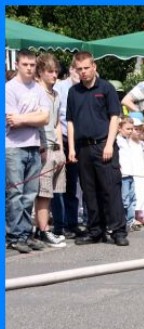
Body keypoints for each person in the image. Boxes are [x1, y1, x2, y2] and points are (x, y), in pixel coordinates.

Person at [66, 51, 129, 246]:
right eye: (80, 69)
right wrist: (71, 148)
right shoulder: (73, 92)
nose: (83, 72)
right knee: (89, 191)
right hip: (83, 147)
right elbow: (69, 121)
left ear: (94, 67)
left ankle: (118, 230)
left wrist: (110, 143)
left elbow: (114, 117)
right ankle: (95, 230)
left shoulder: (107, 88)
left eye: (86, 68)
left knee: (110, 189)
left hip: (103, 144)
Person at [6, 49, 51, 253]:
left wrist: (25, 118)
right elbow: (12, 121)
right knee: (15, 192)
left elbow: (46, 118)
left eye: (32, 65)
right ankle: (15, 235)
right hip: (13, 147)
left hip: (33, 145)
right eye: (25, 64)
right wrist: (34, 117)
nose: (29, 68)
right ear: (18, 65)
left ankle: (25, 233)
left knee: (30, 193)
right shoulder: (9, 88)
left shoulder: (38, 89)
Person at [34, 52, 68, 248]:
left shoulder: (56, 94)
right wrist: (41, 145)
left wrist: (61, 149)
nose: (54, 75)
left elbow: (56, 123)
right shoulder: (37, 91)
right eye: (50, 72)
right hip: (42, 145)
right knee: (43, 192)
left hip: (55, 146)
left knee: (54, 191)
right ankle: (43, 230)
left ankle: (45, 228)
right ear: (41, 72)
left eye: (56, 72)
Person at [52, 62, 83, 239]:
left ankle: (72, 223)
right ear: (71, 70)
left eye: (83, 69)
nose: (80, 73)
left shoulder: (86, 88)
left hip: (77, 141)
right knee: (58, 186)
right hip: (61, 138)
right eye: (76, 69)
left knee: (72, 184)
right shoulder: (60, 88)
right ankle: (59, 224)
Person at [116, 116, 144, 231]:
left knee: (133, 199)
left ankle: (130, 221)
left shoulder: (128, 140)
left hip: (130, 174)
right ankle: (122, 222)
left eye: (132, 129)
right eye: (128, 129)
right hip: (123, 175)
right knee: (125, 200)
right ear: (119, 128)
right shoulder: (117, 140)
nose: (131, 131)